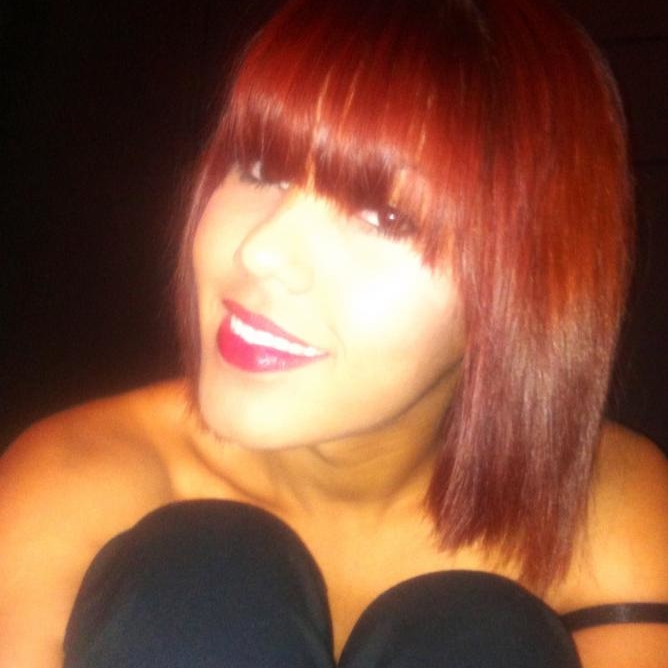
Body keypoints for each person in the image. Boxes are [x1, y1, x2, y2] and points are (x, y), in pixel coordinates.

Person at [1, 0, 667, 666]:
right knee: (195, 583)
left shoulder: (607, 515)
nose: (262, 251)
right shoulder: (77, 481)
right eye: (261, 169)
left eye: (386, 217)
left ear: (528, 289)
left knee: (479, 638)